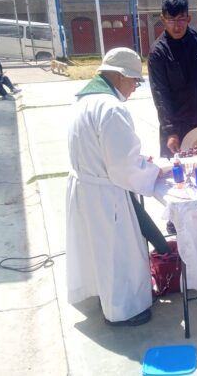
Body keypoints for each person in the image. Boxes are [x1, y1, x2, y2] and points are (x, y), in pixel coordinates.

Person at [66, 47, 169, 326]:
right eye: (135, 81)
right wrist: (155, 169)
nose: (135, 88)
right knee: (117, 253)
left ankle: (103, 296)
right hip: (105, 193)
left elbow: (108, 154)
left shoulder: (84, 100)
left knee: (96, 249)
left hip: (86, 186)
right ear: (120, 76)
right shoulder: (112, 108)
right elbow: (124, 170)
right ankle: (123, 311)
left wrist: (137, 162)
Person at [148, 0, 197, 158]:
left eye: (181, 19)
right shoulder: (158, 53)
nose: (177, 25)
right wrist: (170, 131)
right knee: (177, 179)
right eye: (171, 19)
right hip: (176, 128)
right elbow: (160, 95)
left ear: (188, 18)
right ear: (162, 19)